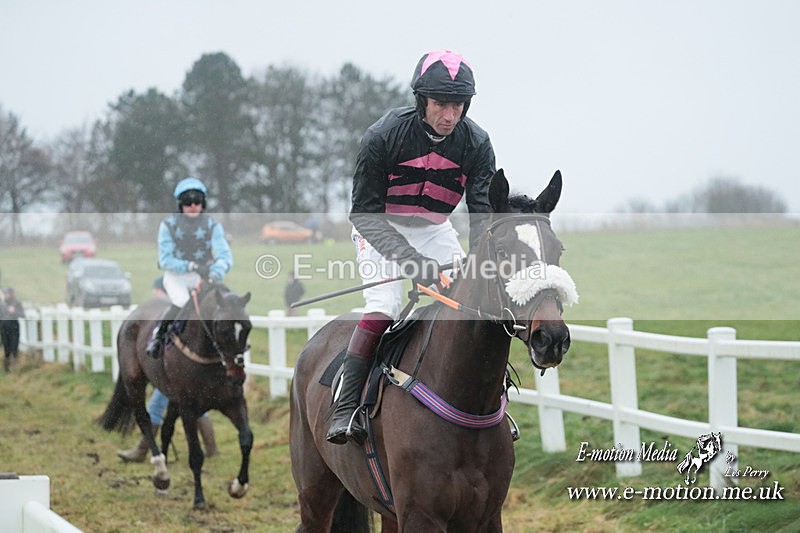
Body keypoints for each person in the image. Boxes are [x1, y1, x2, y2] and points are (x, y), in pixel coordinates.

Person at [327, 49, 496, 444]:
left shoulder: (477, 144)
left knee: (472, 304)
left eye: (457, 105)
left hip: (435, 230)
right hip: (380, 227)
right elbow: (363, 215)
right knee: (384, 307)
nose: (450, 116)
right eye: (441, 104)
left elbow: (482, 216)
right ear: (421, 100)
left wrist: (477, 264)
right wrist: (414, 264)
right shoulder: (382, 136)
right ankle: (346, 404)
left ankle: (485, 404)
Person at [118, 276, 218, 462]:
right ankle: (211, 448)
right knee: (195, 406)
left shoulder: (173, 311)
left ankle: (142, 450)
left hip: (173, 369)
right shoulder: (186, 311)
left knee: (157, 404)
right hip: (183, 369)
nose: (154, 294)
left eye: (157, 290)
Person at [146, 177, 233, 358]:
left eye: (197, 201)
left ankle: (230, 349)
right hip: (176, 276)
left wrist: (217, 271)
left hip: (203, 277)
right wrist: (191, 265)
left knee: (224, 304)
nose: (193, 205)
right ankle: (158, 338)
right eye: (187, 202)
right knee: (181, 302)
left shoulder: (212, 225)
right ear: (180, 205)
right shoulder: (168, 226)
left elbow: (225, 254)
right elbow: (165, 260)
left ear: (203, 203)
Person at [1, 287, 25, 372]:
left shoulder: (17, 303)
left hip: (14, 327)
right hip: (4, 328)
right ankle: (6, 368)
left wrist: (14, 312)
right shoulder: (2, 304)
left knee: (14, 347)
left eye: (7, 293)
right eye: (5, 293)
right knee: (6, 348)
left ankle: (16, 367)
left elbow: (22, 314)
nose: (6, 295)